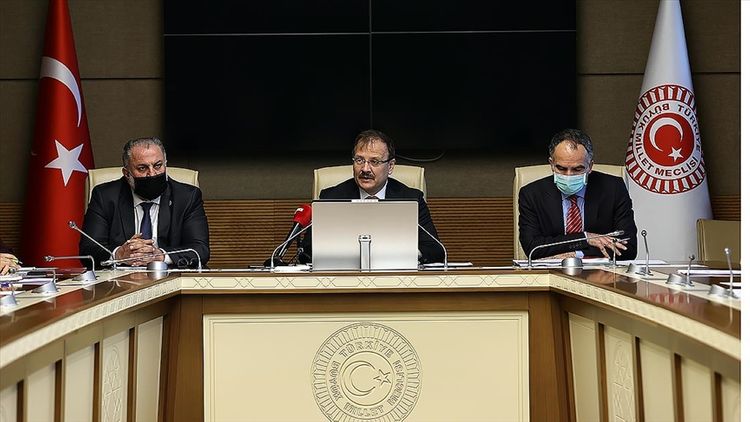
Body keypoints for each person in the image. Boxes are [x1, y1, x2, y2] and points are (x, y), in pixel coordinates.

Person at [300, 129, 444, 264]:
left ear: (390, 166)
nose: (365, 169)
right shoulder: (331, 198)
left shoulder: (411, 199)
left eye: (374, 162)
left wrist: (405, 255)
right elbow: (307, 250)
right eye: (359, 160)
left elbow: (435, 250)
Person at [80, 137, 209, 268]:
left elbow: (200, 249)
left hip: (171, 275)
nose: (152, 174)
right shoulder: (105, 196)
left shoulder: (187, 197)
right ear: (127, 173)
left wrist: (161, 256)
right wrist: (119, 255)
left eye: (158, 166)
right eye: (142, 168)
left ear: (165, 165)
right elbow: (88, 249)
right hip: (120, 276)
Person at [518, 128, 637, 260]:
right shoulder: (532, 194)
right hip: (551, 270)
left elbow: (628, 248)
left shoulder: (613, 188)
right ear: (551, 164)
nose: (569, 175)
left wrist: (577, 254)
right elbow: (533, 248)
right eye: (561, 168)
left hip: (599, 271)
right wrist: (584, 238)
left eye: (577, 169)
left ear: (590, 166)